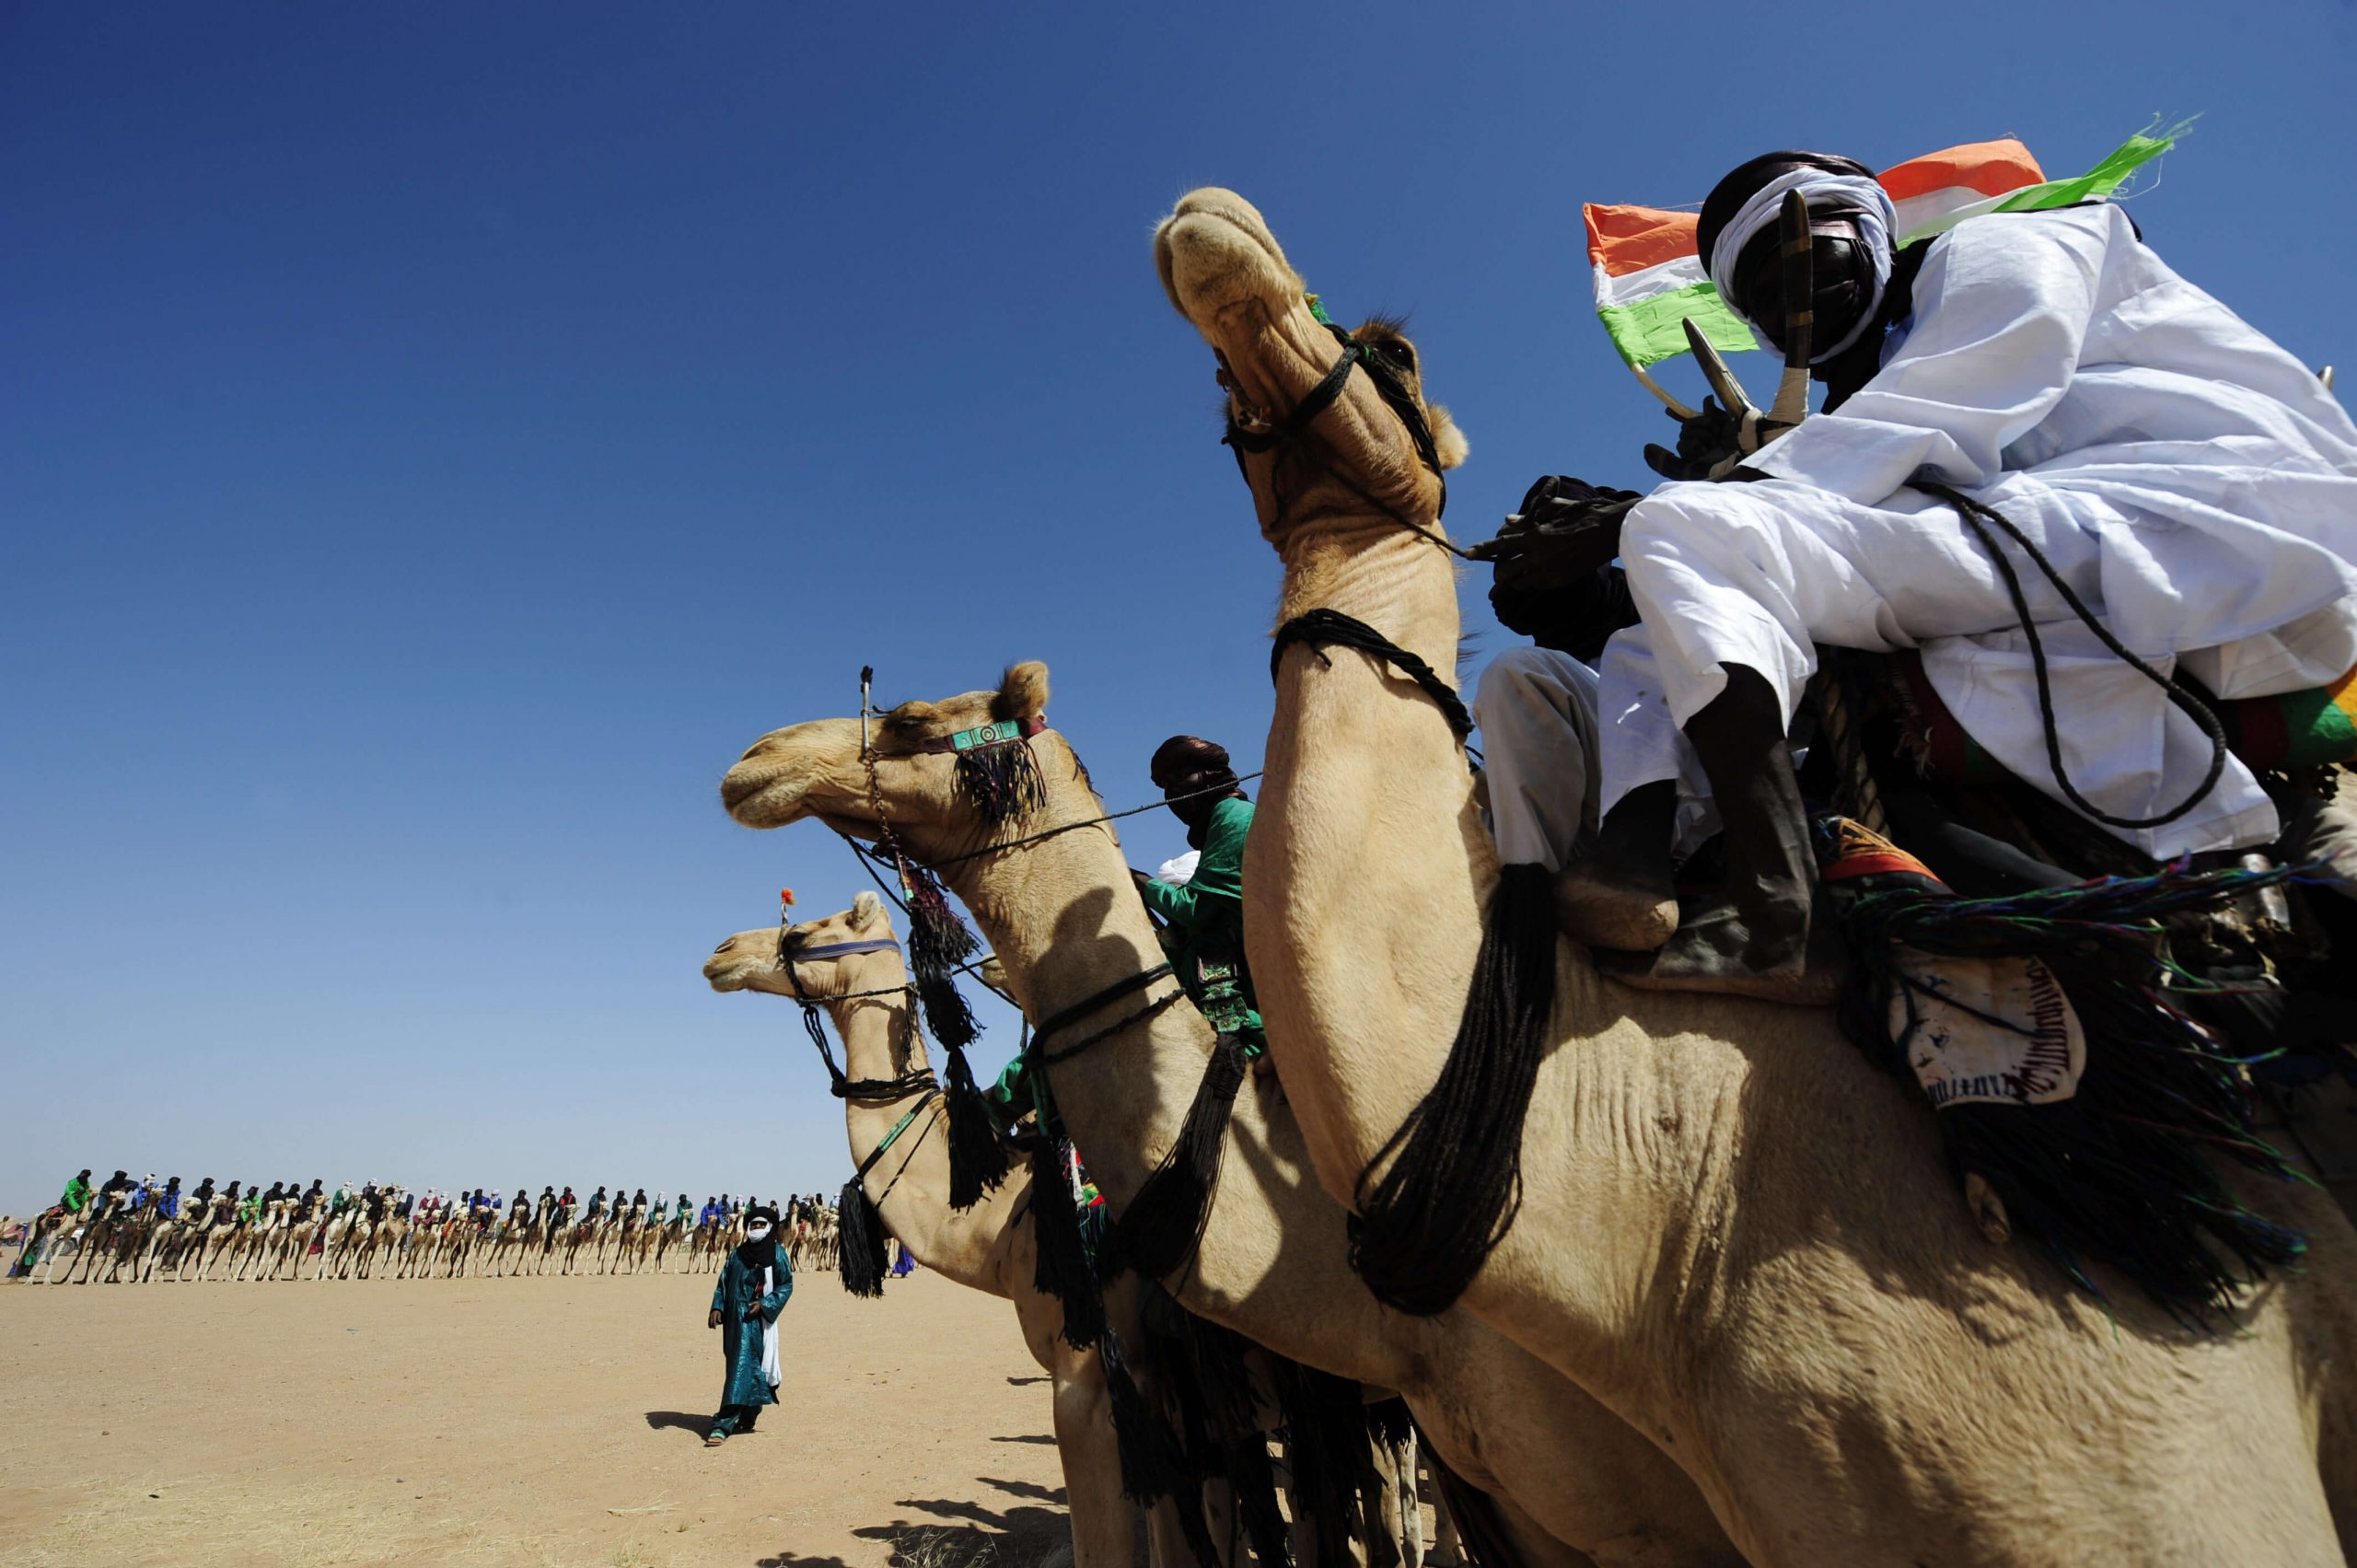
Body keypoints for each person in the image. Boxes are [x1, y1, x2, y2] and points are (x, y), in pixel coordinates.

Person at [1548, 148, 2357, 1001]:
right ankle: (1632, 859)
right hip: (2048, 538)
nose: (1795, 306)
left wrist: (1723, 489)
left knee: (1683, 529)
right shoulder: (1875, 395)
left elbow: (1950, 402)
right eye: (1764, 303)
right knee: (1658, 613)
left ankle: (1780, 912)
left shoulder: (2004, 248)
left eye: (1805, 262)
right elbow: (1859, 477)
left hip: (2200, 517)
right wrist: (1579, 583)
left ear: (1871, 232)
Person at [1134, 736, 1266, 1055]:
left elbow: (1194, 909)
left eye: (1180, 777)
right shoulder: (1217, 826)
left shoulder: (1233, 817)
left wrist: (1143, 883)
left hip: (1260, 996)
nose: (1172, 793)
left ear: (1211, 775)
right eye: (1165, 784)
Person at [704, 1204, 794, 1446]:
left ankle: (723, 1424)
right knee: (744, 1369)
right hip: (734, 1321)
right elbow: (723, 1281)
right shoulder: (737, 1253)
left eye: (760, 1225)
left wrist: (765, 1305)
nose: (755, 1229)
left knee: (742, 1371)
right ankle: (748, 1416)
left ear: (770, 1228)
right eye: (752, 1225)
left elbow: (786, 1285)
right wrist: (717, 1306)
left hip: (758, 1322)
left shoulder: (777, 1254)